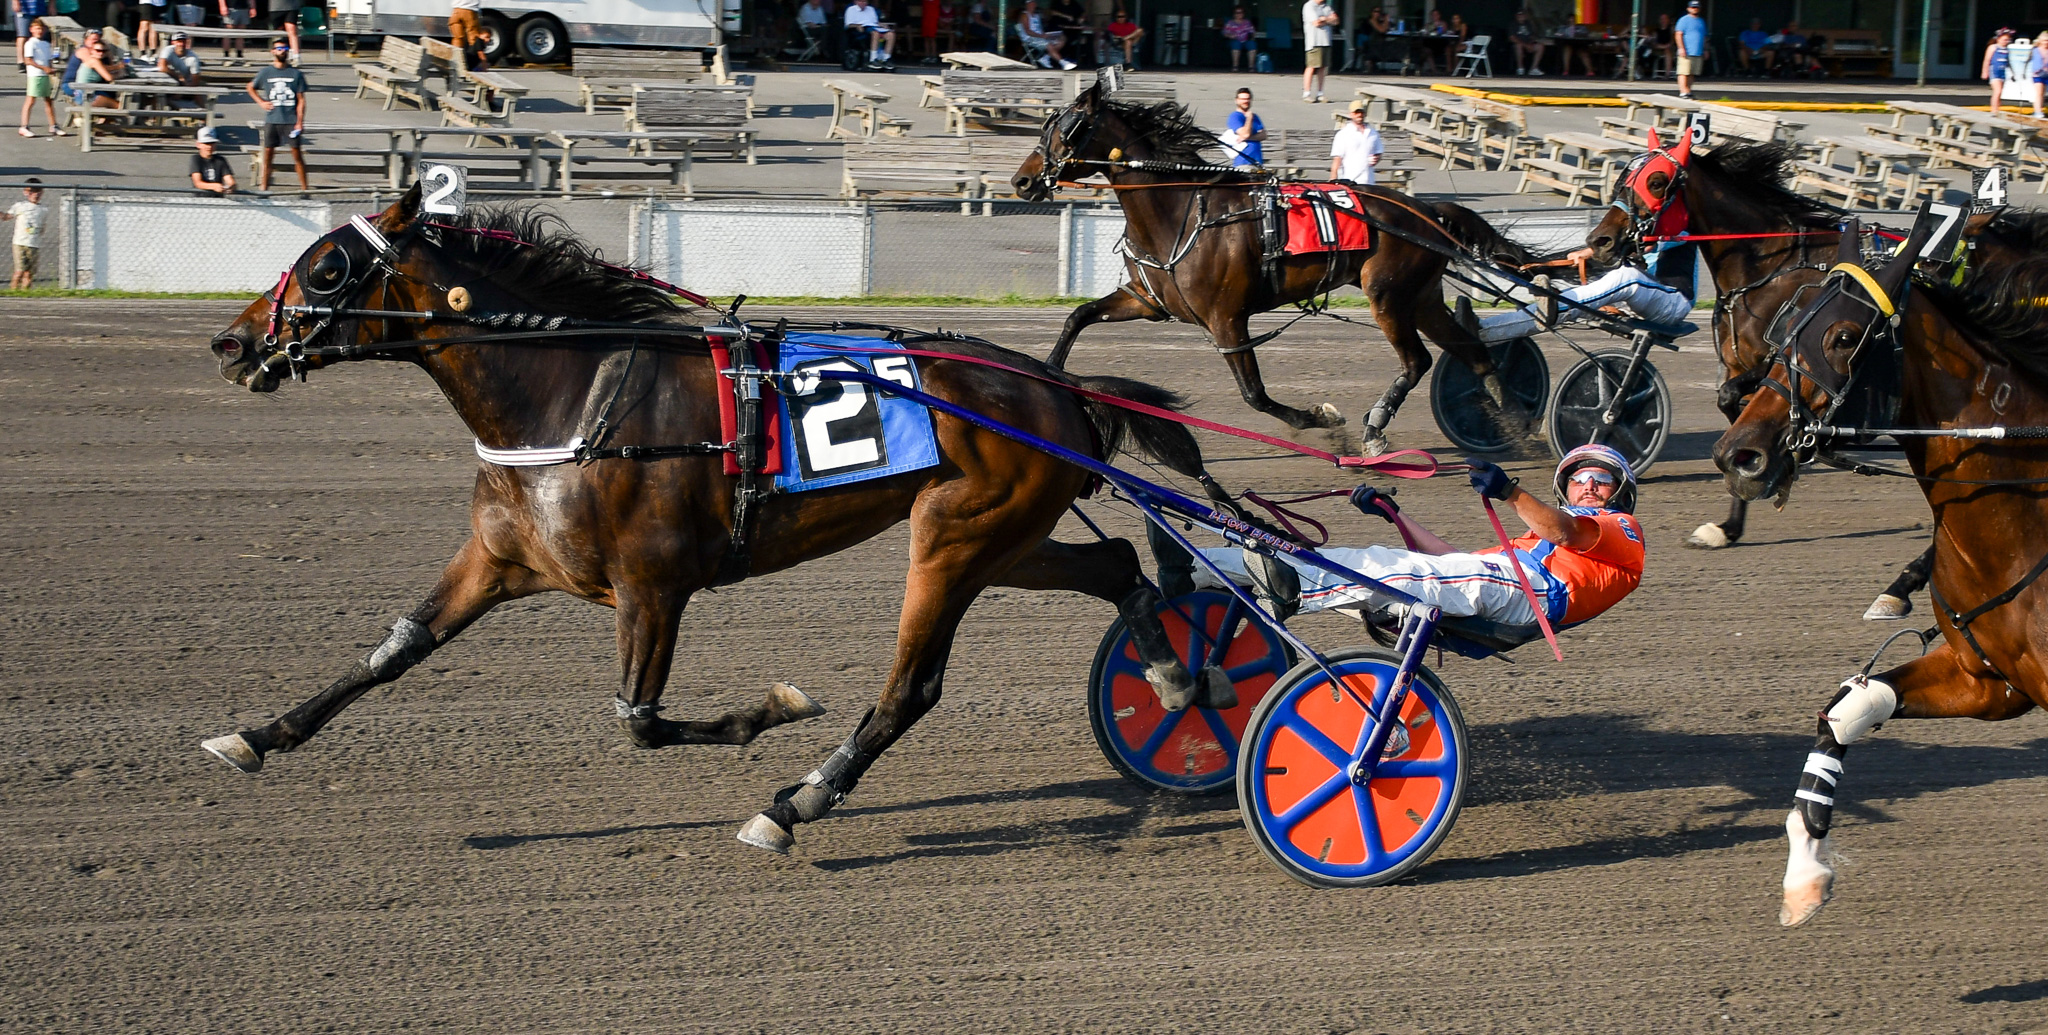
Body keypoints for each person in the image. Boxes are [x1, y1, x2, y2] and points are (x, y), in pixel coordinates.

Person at [1189, 446, 1646, 631]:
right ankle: (1197, 566)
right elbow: (1452, 561)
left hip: (1536, 595)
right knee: (1372, 557)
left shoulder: (1621, 528)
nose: (1587, 484)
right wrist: (1393, 513)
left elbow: (1562, 528)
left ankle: (1288, 590)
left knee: (1392, 573)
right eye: (1578, 478)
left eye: (1600, 479)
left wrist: (1509, 491)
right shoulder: (1534, 538)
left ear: (1618, 492)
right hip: (1509, 582)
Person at [249, 38, 308, 191]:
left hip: (290, 120)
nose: (282, 51)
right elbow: (250, 87)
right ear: (273, 51)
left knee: (297, 155)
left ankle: (304, 188)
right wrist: (261, 102)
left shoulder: (296, 74)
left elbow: (301, 100)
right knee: (268, 153)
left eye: (284, 48)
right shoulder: (266, 72)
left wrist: (300, 121)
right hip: (272, 119)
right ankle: (264, 187)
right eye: (279, 48)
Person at [18, 18, 59, 137]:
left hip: (46, 76)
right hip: (35, 75)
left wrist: (51, 69)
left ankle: (53, 126)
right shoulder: (30, 43)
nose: (39, 31)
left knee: (49, 101)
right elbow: (28, 60)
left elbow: (49, 60)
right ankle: (24, 126)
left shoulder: (46, 44)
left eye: (41, 28)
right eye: (37, 28)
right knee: (30, 100)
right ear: (31, 30)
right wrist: (44, 68)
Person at [2, 179, 45, 290]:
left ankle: (25, 293)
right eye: (31, 192)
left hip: (34, 244)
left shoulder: (43, 209)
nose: (35, 195)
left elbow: (42, 227)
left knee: (29, 273)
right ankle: (13, 291)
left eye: (38, 192)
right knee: (19, 271)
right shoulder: (20, 206)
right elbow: (7, 217)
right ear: (25, 192)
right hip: (20, 243)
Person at [1329, 100, 1383, 183]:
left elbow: (1378, 153)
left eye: (1361, 112)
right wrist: (1333, 179)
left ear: (1365, 114)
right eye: (1356, 112)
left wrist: (1376, 159)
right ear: (1351, 114)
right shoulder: (1343, 134)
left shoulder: (1373, 133)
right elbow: (1337, 159)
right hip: (1349, 181)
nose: (1359, 115)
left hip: (1369, 181)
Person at [1014, 0, 1073, 69]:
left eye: (1034, 4)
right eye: (1031, 4)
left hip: (1040, 36)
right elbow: (1028, 31)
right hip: (1030, 38)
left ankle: (1045, 58)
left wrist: (1047, 35)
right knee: (1048, 44)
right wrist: (1041, 36)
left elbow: (1041, 28)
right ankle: (1063, 63)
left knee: (1061, 39)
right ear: (1027, 5)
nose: (1033, 6)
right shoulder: (1024, 15)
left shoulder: (1037, 15)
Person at [1301, 0, 1337, 102]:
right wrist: (1328, 19)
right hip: (1314, 42)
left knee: (1322, 68)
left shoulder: (1327, 7)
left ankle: (1320, 93)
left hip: (1326, 41)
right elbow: (1316, 23)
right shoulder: (1309, 6)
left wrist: (1324, 19)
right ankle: (1306, 93)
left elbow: (1336, 20)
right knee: (1311, 67)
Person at [843, 0, 895, 68]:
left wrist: (882, 25)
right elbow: (848, 25)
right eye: (860, 1)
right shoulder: (851, 10)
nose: (863, 3)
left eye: (864, 1)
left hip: (874, 27)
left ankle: (886, 59)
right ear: (856, 2)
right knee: (875, 34)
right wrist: (857, 26)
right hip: (861, 29)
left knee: (891, 34)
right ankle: (873, 59)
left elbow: (875, 22)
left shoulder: (871, 9)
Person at [188, 125, 237, 194]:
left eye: (212, 143)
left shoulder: (220, 160)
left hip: (218, 199)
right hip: (200, 199)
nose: (209, 146)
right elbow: (197, 183)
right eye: (206, 143)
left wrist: (231, 186)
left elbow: (230, 180)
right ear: (198, 144)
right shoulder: (196, 159)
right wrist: (214, 186)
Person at [1223, 85, 1263, 167]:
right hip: (1243, 163)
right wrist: (1249, 119)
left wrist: (1248, 138)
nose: (1246, 101)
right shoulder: (1235, 116)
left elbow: (1264, 135)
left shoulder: (1255, 116)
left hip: (1257, 162)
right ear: (1236, 101)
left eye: (1248, 99)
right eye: (1243, 99)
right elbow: (1245, 134)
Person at [1674, 0, 1706, 99]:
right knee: (1683, 72)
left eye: (1696, 7)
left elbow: (1704, 37)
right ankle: (1683, 92)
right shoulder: (1683, 20)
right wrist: (1681, 48)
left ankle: (1688, 90)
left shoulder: (1701, 21)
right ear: (1688, 8)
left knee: (1692, 73)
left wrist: (1705, 49)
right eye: (1692, 7)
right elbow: (1678, 34)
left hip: (1697, 51)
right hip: (1686, 51)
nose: (1694, 9)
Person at [1984, 27, 2017, 112]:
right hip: (1994, 71)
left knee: (2000, 92)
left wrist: (2013, 73)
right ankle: (1994, 110)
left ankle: (1997, 109)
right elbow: (1987, 60)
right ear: (1998, 39)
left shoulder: (2007, 50)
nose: (2006, 42)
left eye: (2008, 40)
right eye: (2004, 40)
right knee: (1997, 91)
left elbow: (2008, 62)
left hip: (2002, 72)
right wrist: (1984, 72)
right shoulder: (1993, 47)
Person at [449, 0, 488, 70]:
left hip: (456, 11)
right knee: (474, 39)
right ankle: (473, 63)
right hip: (470, 11)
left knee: (458, 38)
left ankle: (456, 61)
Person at [12, 0, 48, 69]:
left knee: (40, 33)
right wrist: (15, 2)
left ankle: (39, 60)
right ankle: (21, 61)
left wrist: (52, 5)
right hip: (24, 8)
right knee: (23, 35)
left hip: (40, 7)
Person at [1510, 9, 1545, 75]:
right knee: (1518, 46)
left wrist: (1531, 43)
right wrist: (1526, 45)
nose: (1521, 16)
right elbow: (1512, 38)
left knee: (1540, 46)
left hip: (1528, 44)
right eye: (1519, 15)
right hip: (1519, 45)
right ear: (1516, 16)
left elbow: (1532, 36)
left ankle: (1533, 68)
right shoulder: (1513, 24)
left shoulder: (1528, 24)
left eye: (1522, 15)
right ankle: (1520, 68)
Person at [1221, 6, 1256, 72]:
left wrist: (1251, 37)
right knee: (1236, 45)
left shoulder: (1247, 22)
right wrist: (1230, 35)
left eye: (1241, 12)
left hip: (1246, 40)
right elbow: (1225, 33)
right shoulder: (1230, 23)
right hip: (1235, 40)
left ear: (1243, 14)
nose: (1239, 14)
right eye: (1237, 12)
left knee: (1252, 45)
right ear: (1234, 14)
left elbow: (1252, 32)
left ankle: (1251, 67)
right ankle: (1235, 66)